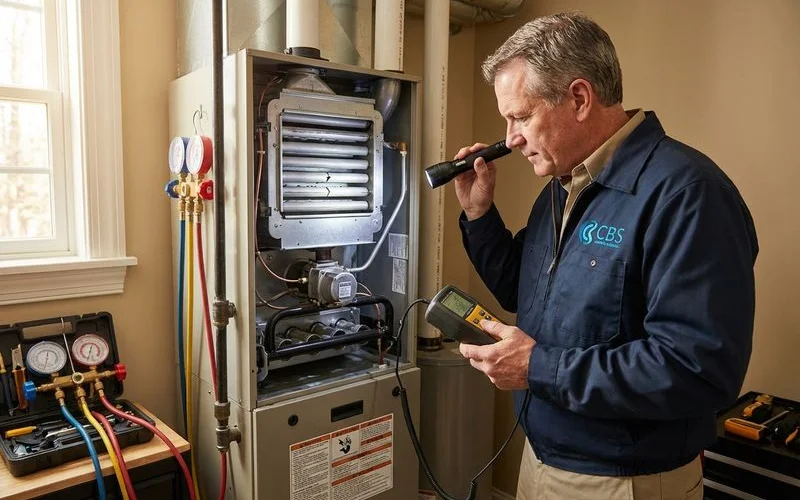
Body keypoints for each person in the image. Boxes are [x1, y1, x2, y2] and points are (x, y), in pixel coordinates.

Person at [454, 12, 758, 500]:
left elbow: (698, 370)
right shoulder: (563, 187)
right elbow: (524, 291)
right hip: (541, 460)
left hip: (623, 483)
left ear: (578, 98)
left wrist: (538, 368)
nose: (510, 138)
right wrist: (479, 215)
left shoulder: (687, 194)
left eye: (521, 116)